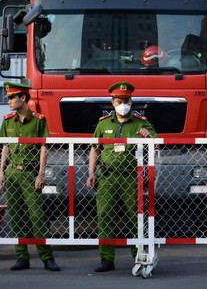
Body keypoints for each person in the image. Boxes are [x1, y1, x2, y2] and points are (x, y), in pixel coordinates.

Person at [86, 82, 157, 273]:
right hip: (107, 177)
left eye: (126, 101)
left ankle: (139, 256)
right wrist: (91, 173)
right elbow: (95, 149)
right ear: (112, 102)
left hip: (130, 178)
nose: (122, 104)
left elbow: (155, 145)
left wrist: (148, 137)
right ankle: (106, 259)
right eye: (119, 101)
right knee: (104, 216)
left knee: (135, 217)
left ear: (131, 101)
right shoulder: (103, 123)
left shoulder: (141, 123)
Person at [0, 82, 60, 272]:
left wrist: (41, 173)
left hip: (30, 173)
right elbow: (5, 147)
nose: (8, 101)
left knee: (37, 216)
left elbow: (43, 147)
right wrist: (1, 171)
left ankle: (47, 258)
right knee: (16, 216)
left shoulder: (39, 120)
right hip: (13, 173)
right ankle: (22, 257)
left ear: (23, 98)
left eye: (11, 98)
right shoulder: (8, 121)